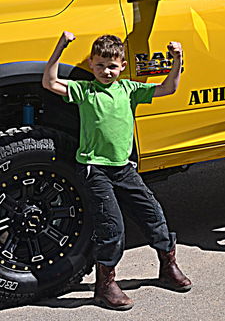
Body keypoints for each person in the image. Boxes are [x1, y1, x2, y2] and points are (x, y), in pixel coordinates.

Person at [42, 32, 191, 310]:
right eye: (100, 65)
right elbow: (49, 82)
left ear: (122, 65)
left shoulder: (129, 90)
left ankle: (167, 266)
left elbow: (168, 89)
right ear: (91, 65)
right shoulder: (85, 91)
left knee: (153, 213)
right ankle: (105, 285)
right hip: (94, 169)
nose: (106, 71)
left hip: (123, 168)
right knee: (112, 227)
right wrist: (61, 46)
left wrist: (178, 60)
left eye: (112, 66)